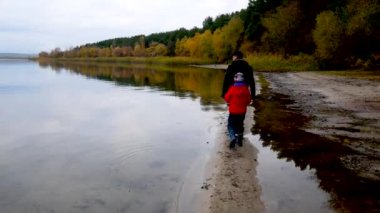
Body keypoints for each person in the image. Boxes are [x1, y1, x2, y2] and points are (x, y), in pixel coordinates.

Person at [224, 72, 252, 149]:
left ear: (235, 79)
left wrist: (230, 102)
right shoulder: (246, 89)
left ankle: (233, 137)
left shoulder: (232, 88)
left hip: (233, 111)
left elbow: (226, 98)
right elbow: (249, 100)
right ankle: (239, 140)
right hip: (242, 111)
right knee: (240, 124)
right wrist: (244, 104)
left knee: (231, 125)